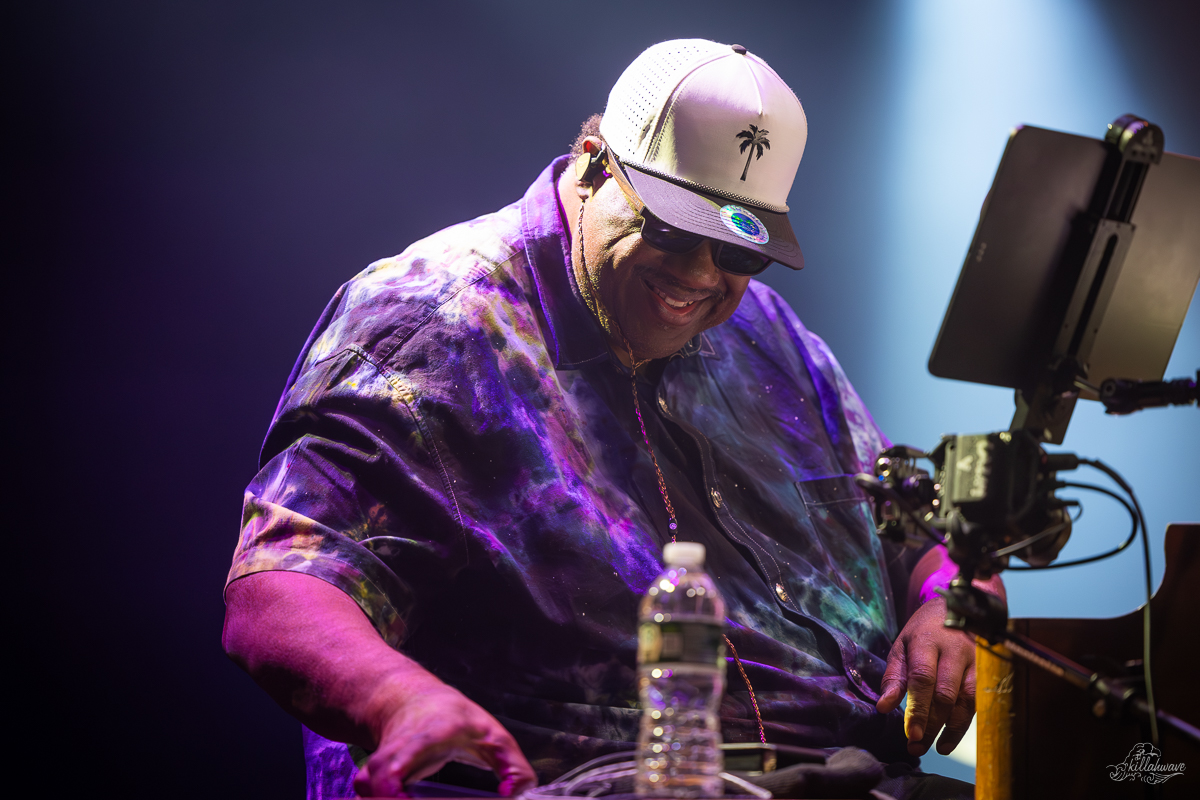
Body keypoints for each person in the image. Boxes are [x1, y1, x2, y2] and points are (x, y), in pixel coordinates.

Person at [223, 39, 1001, 800]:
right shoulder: (433, 329)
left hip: (853, 775)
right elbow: (277, 592)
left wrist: (952, 602)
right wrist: (402, 702)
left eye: (736, 250)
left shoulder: (769, 332)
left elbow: (924, 533)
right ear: (597, 162)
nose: (700, 276)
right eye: (673, 230)